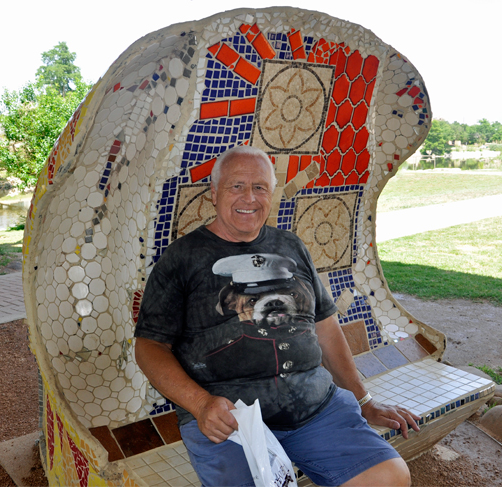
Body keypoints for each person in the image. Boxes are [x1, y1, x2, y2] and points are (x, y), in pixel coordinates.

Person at [134, 145, 420, 486]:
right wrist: (200, 404)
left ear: (271, 194)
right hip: (229, 419)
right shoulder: (181, 258)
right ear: (214, 192)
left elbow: (326, 326)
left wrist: (364, 400)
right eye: (236, 186)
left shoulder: (292, 246)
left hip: (316, 407)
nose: (249, 198)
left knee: (390, 477)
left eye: (259, 187)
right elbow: (149, 346)